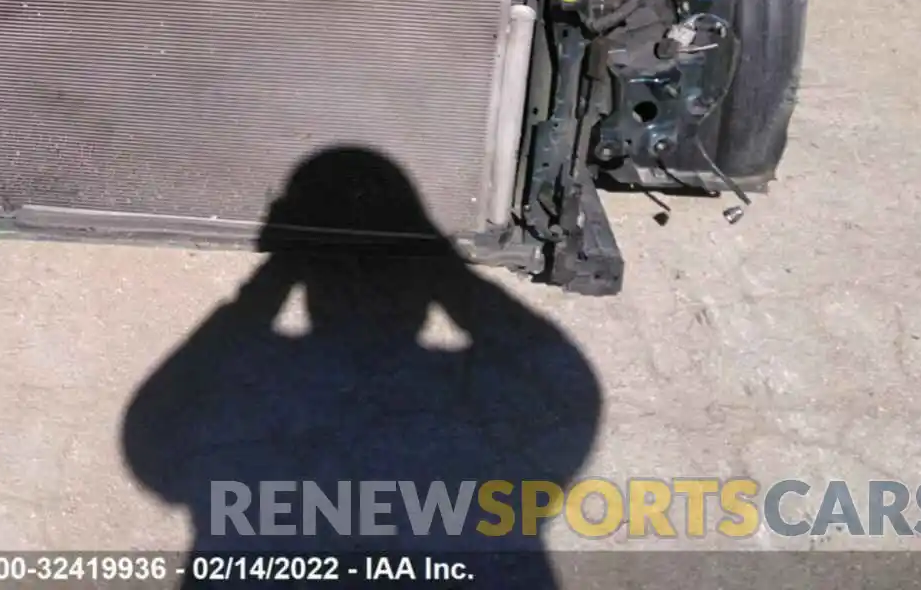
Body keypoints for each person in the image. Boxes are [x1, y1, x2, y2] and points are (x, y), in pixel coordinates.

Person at [121, 148, 604, 586]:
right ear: (421, 297)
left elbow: (158, 424)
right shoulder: (468, 397)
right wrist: (440, 261)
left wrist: (282, 265)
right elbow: (559, 380)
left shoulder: (263, 384)